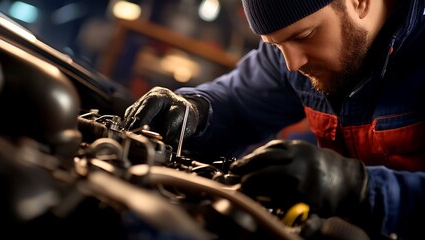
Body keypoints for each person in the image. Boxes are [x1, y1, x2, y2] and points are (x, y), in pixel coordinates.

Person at [123, 0, 425, 239]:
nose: (292, 64)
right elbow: (237, 101)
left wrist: (356, 188)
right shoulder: (292, 53)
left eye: (304, 36)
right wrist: (192, 111)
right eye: (275, 45)